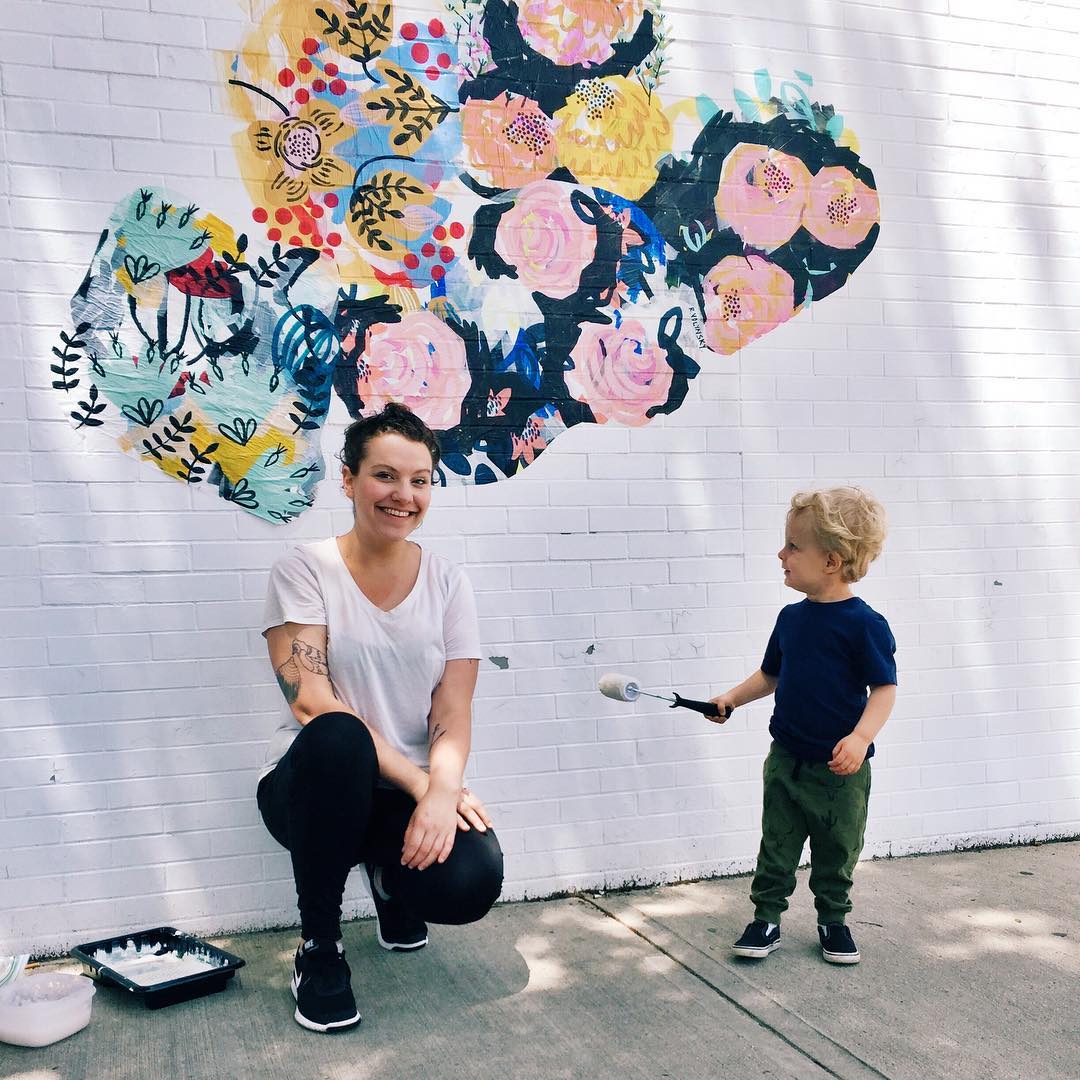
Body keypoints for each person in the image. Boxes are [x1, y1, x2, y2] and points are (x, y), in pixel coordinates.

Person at [257, 403, 504, 1033]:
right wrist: (422, 784)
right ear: (348, 480)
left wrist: (441, 787)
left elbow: (453, 703)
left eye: (419, 480)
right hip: (313, 789)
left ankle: (391, 886)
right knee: (337, 734)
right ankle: (318, 947)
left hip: (398, 793)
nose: (404, 494)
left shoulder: (448, 580)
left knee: (472, 881)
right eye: (385, 476)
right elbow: (310, 697)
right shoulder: (305, 568)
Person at [710, 486, 896, 966]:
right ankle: (766, 918)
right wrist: (731, 698)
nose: (781, 553)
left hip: (839, 772)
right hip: (786, 762)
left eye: (794, 546)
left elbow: (884, 690)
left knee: (837, 851)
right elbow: (771, 675)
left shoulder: (864, 625)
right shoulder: (791, 619)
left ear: (831, 561)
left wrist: (860, 738)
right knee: (776, 844)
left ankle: (833, 920)